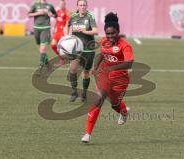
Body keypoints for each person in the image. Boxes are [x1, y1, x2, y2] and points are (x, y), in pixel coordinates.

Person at [81, 12, 134, 143]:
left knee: (115, 104)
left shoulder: (125, 45)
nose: (110, 36)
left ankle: (123, 112)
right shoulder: (104, 41)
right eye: (107, 34)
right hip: (105, 75)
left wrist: (113, 68)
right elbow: (101, 54)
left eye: (113, 33)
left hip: (120, 79)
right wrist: (95, 67)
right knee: (98, 99)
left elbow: (129, 63)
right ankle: (87, 134)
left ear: (118, 32)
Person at [67, 0, 98, 102]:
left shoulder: (90, 16)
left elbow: (96, 31)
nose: (82, 7)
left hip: (88, 49)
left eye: (84, 5)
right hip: (76, 48)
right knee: (73, 69)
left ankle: (84, 93)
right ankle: (74, 92)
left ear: (87, 6)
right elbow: (67, 26)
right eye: (80, 5)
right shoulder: (73, 16)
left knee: (85, 72)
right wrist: (66, 36)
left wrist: (84, 31)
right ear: (77, 6)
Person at [28, 0, 57, 71]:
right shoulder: (35, 4)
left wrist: (51, 14)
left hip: (46, 28)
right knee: (41, 49)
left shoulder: (50, 5)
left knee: (42, 49)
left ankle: (40, 67)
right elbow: (29, 15)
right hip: (36, 28)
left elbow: (55, 15)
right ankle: (47, 61)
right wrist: (38, 13)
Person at [51, 0, 70, 67]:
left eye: (62, 4)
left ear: (65, 4)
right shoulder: (57, 12)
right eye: (60, 4)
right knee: (53, 46)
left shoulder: (67, 12)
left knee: (62, 47)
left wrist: (66, 33)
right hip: (57, 32)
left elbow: (68, 23)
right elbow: (56, 21)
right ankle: (62, 59)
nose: (61, 5)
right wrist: (53, 28)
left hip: (63, 32)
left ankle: (64, 60)